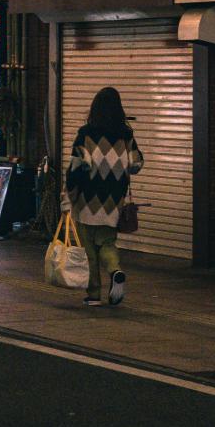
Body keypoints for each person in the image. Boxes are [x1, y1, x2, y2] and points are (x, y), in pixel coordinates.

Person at [65, 86, 143, 307]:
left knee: (89, 249)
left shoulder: (86, 134)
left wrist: (69, 195)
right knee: (107, 243)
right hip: (112, 202)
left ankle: (94, 295)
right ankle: (115, 271)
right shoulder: (126, 135)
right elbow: (137, 164)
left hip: (87, 200)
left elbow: (76, 168)